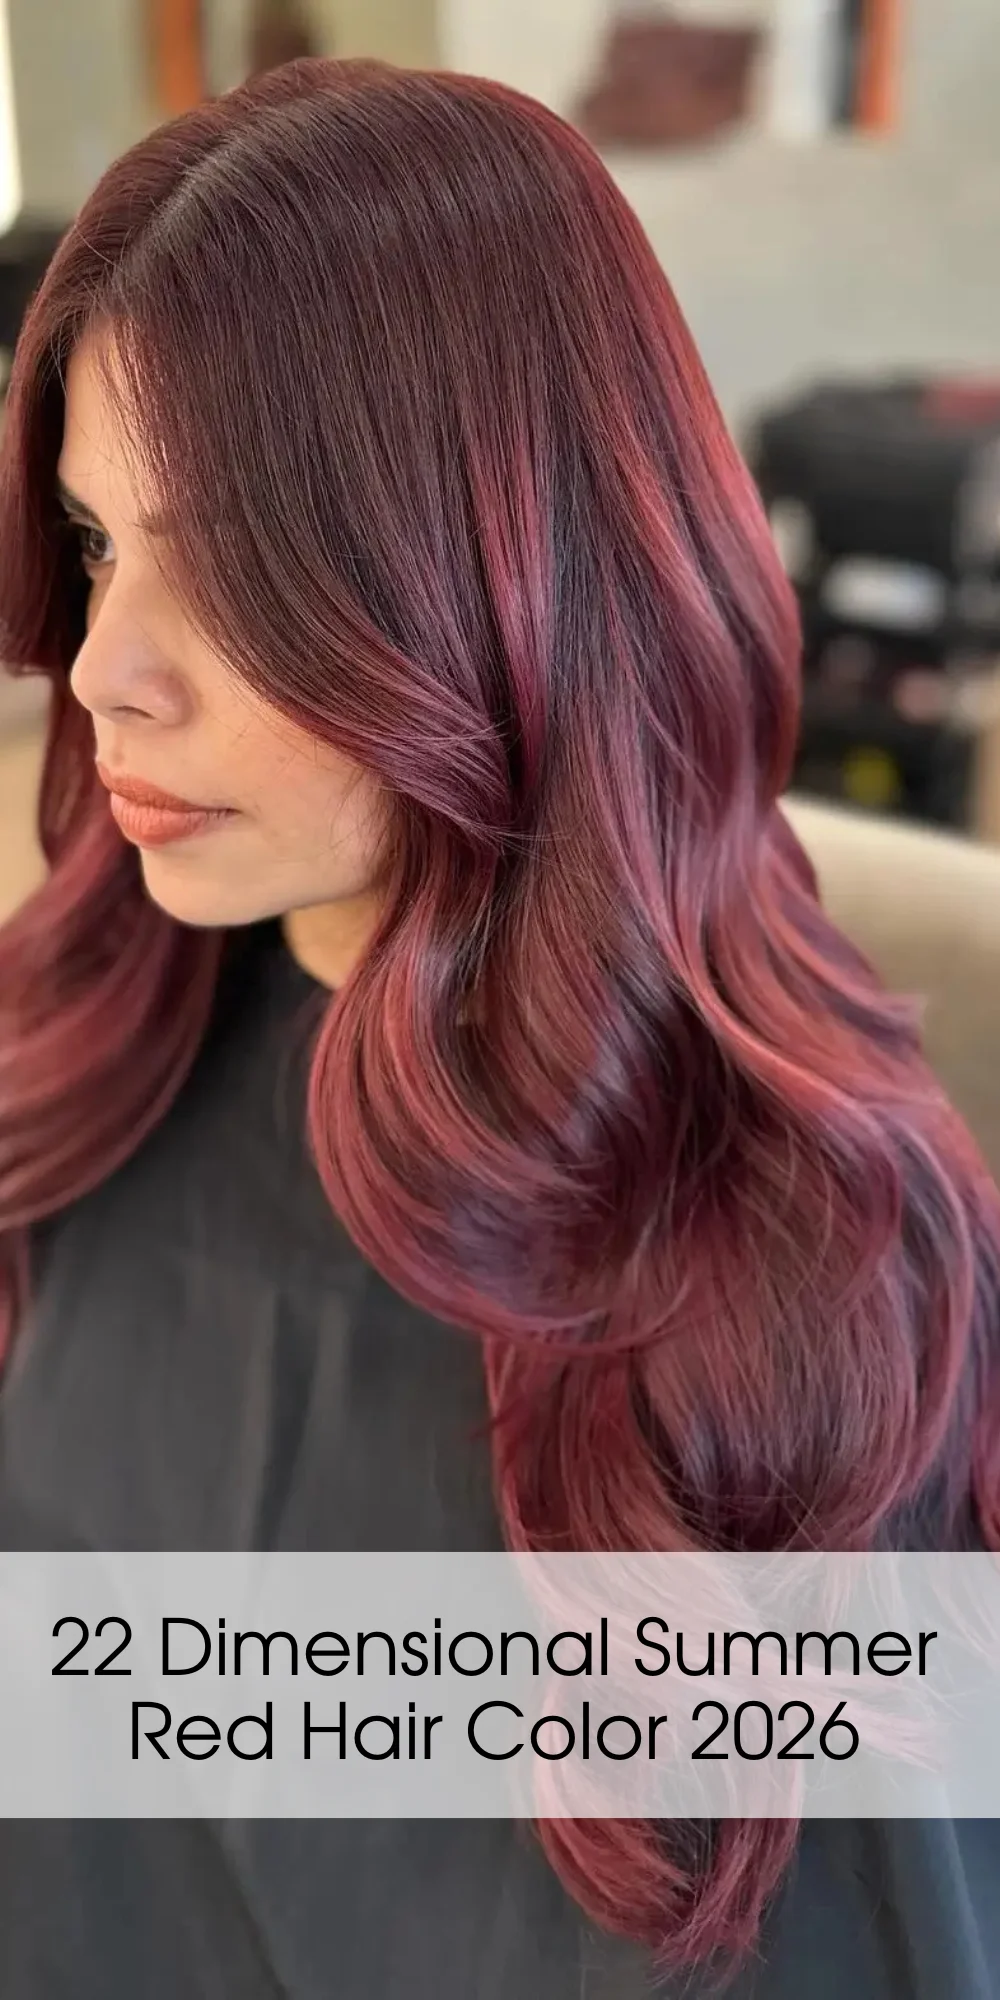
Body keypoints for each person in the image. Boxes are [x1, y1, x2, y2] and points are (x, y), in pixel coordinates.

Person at [0, 54, 998, 2000]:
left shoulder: (807, 1280)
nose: (105, 671)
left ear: (507, 582)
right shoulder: (96, 1044)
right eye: (99, 543)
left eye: (231, 563)